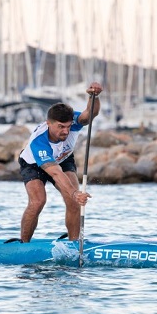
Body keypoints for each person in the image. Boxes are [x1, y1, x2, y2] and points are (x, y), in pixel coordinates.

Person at [18, 82, 103, 242]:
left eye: (69, 126)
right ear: (49, 123)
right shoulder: (39, 142)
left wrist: (94, 96)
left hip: (63, 158)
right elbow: (56, 173)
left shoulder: (74, 122)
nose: (66, 131)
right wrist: (74, 192)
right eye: (61, 127)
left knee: (73, 202)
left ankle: (74, 243)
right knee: (38, 201)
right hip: (33, 164)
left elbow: (89, 114)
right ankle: (23, 244)